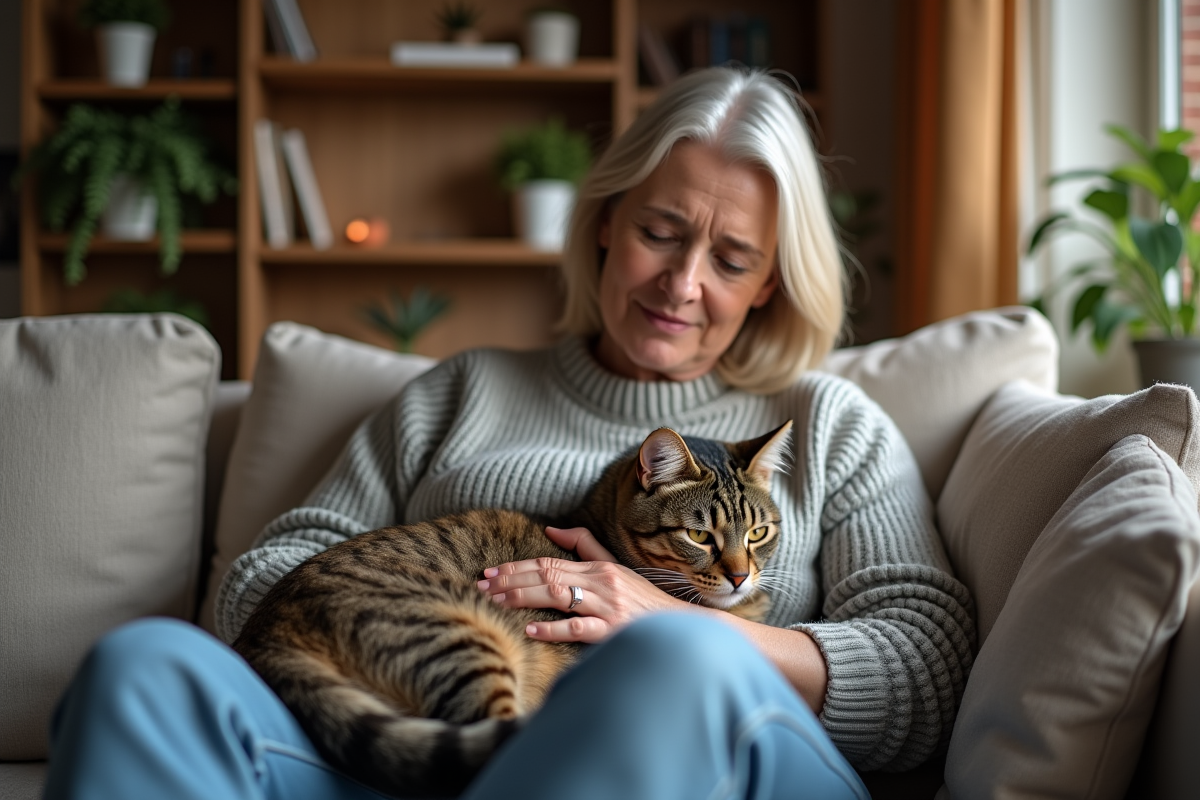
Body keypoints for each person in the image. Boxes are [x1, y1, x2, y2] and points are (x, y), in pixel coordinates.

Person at [43, 67, 974, 800]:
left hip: (702, 750)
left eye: (731, 259)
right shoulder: (460, 393)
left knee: (670, 661)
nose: (683, 282)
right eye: (660, 230)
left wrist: (679, 619)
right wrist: (414, 616)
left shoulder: (830, 424)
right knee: (141, 666)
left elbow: (926, 669)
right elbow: (271, 572)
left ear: (770, 281)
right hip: (407, 731)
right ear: (606, 221)